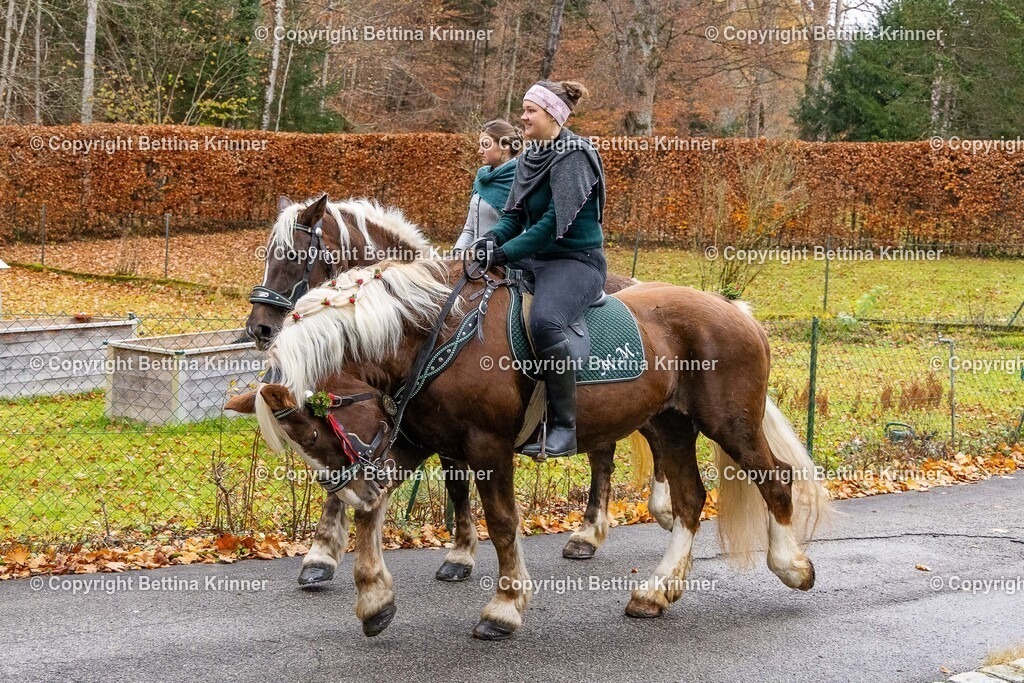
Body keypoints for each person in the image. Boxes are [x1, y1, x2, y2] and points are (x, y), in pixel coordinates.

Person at [478, 79, 607, 458]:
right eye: (523, 109)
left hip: (575, 261)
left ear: (553, 114)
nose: (522, 116)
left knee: (545, 321)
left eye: (530, 110)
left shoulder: (574, 156)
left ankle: (565, 427)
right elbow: (514, 216)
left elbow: (551, 225)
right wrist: (490, 241)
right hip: (535, 258)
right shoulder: (530, 157)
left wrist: (504, 254)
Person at [453, 120, 523, 253]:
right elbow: (469, 229)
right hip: (476, 259)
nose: (479, 151)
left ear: (505, 146)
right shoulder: (482, 178)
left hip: (506, 259)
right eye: (480, 145)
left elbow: (522, 231)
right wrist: (456, 254)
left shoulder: (522, 179)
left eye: (485, 145)